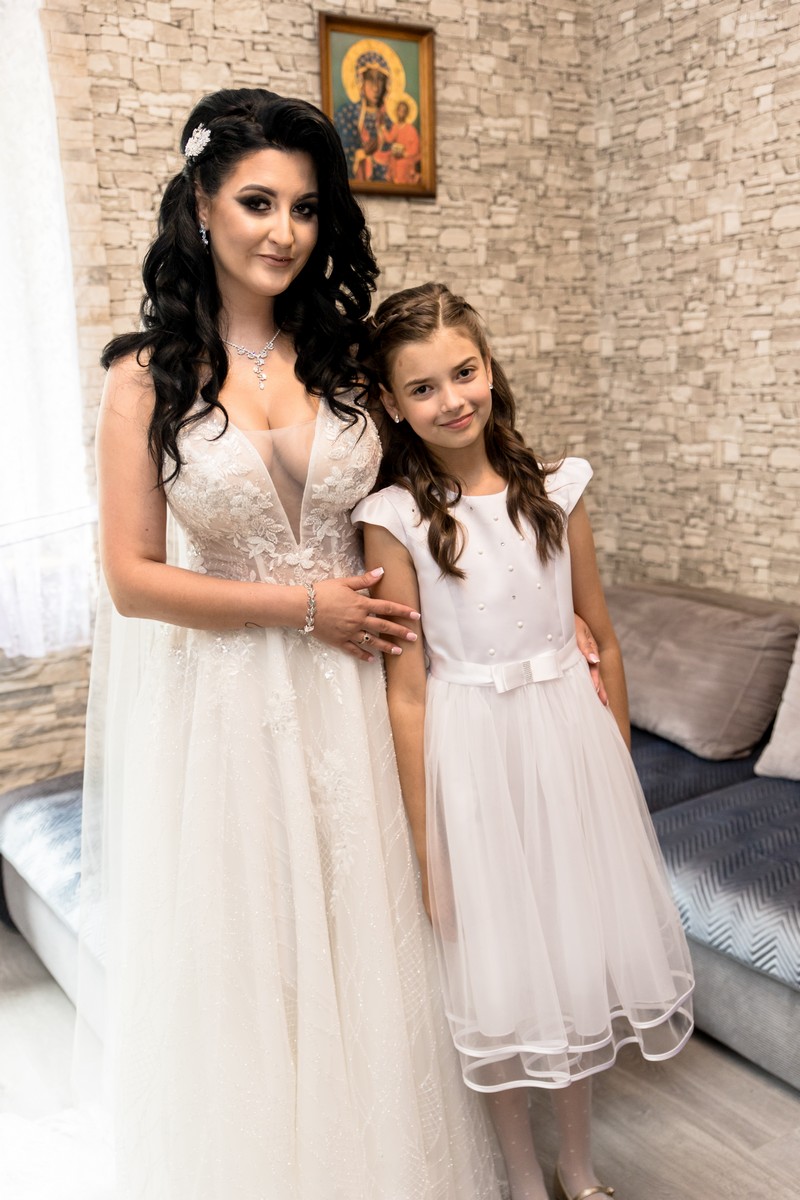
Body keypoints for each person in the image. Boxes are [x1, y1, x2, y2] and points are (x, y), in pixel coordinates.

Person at [84, 87, 505, 1199]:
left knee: (372, 943)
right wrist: (305, 609)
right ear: (201, 203)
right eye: (258, 202)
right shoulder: (143, 379)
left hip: (361, 696)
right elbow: (131, 579)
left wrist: (544, 608)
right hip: (228, 707)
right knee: (256, 958)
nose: (284, 231)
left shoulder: (349, 362)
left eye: (306, 208)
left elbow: (447, 489)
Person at [352, 283, 695, 1200]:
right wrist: (429, 842)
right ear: (391, 403)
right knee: (499, 971)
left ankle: (578, 1169)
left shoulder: (557, 488)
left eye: (464, 372)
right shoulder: (393, 519)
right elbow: (408, 692)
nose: (452, 399)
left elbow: (603, 638)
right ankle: (519, 1176)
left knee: (572, 960)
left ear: (490, 366)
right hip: (471, 755)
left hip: (566, 743)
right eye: (422, 388)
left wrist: (614, 771)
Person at [334, 49, 394, 181]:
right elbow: (337, 155)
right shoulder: (347, 114)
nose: (376, 87)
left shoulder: (388, 120)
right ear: (361, 82)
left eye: (380, 80)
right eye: (370, 79)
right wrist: (361, 153)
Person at [388, 100, 421, 186]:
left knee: (401, 164)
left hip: (407, 158)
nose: (401, 113)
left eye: (404, 111)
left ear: (406, 113)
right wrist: (383, 129)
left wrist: (404, 154)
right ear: (397, 111)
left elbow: (415, 149)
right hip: (396, 156)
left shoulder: (411, 129)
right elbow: (390, 139)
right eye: (400, 110)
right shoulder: (395, 126)